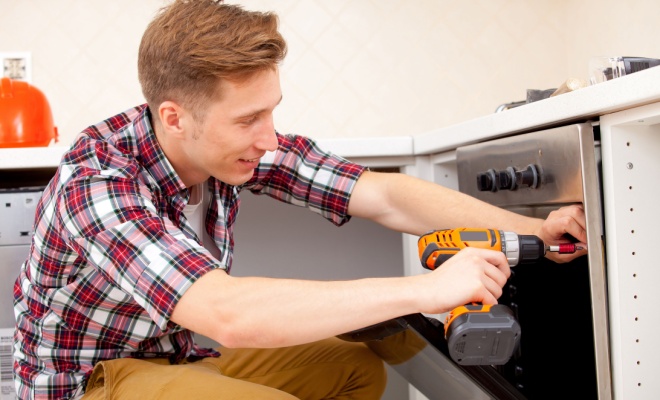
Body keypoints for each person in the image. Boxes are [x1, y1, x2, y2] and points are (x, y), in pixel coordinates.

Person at [12, 1, 588, 399]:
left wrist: (536, 230)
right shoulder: (99, 180)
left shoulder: (229, 150)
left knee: (357, 372)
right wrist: (429, 289)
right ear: (174, 118)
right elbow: (227, 314)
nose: (268, 136)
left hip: (169, 358)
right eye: (248, 118)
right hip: (89, 382)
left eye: (271, 109)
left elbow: (383, 195)